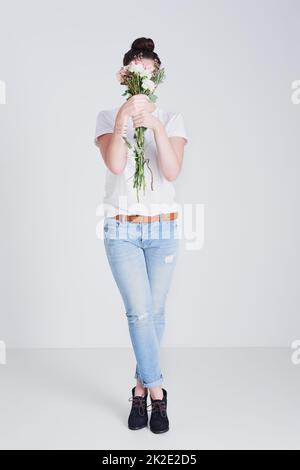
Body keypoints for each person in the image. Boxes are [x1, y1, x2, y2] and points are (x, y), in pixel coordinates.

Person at [94, 37, 188, 433]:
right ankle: (158, 393)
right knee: (139, 312)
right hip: (122, 229)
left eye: (149, 73)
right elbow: (117, 165)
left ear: (157, 78)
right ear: (125, 77)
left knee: (156, 313)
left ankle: (137, 387)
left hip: (163, 228)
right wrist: (123, 120)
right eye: (136, 72)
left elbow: (172, 171)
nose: (142, 79)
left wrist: (154, 127)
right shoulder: (106, 117)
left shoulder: (171, 119)